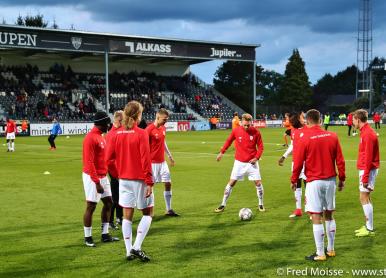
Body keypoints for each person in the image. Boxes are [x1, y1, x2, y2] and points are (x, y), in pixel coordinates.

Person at [291, 109, 345, 261]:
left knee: (316, 216)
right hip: (330, 181)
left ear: (307, 121)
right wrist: (342, 178)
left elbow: (298, 162)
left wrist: (294, 180)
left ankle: (320, 253)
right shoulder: (333, 136)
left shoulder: (304, 138)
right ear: (320, 120)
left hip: (314, 182)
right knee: (329, 214)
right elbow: (340, 160)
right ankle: (331, 249)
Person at [106, 101, 154, 262]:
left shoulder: (115, 134)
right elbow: (145, 159)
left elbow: (108, 159)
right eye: (141, 113)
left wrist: (118, 172)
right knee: (148, 213)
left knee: (127, 216)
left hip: (123, 180)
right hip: (140, 179)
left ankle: (128, 251)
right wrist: (149, 181)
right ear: (137, 115)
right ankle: (137, 247)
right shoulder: (141, 133)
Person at [214, 113, 265, 213]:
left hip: (252, 163)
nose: (246, 127)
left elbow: (261, 147)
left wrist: (256, 158)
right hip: (239, 162)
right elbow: (228, 141)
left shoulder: (256, 132)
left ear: (251, 123)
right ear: (241, 122)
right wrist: (221, 153)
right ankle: (223, 204)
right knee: (231, 182)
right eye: (245, 125)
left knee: (258, 183)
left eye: (248, 125)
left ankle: (261, 204)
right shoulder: (236, 130)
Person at [82, 111, 119, 247]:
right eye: (107, 123)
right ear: (101, 123)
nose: (109, 125)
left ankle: (105, 234)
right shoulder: (90, 138)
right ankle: (88, 237)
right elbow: (89, 162)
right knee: (91, 206)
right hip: (93, 177)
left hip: (103, 175)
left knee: (109, 203)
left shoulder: (101, 136)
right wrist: (97, 182)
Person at [145, 108, 179, 216]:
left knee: (168, 183)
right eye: (164, 119)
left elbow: (163, 142)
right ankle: (150, 212)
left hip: (162, 162)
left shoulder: (163, 128)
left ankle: (168, 209)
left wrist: (170, 156)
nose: (166, 121)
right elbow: (143, 147)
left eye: (167, 119)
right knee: (151, 187)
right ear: (157, 117)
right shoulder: (149, 130)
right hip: (152, 163)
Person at [352, 109, 380, 237]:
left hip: (367, 169)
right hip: (367, 168)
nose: (352, 122)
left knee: (363, 197)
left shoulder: (367, 134)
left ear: (358, 119)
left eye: (353, 120)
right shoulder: (365, 132)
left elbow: (368, 157)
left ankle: (369, 229)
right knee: (366, 197)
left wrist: (365, 176)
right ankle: (369, 226)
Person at [278, 112, 307, 218]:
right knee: (297, 184)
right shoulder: (293, 131)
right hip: (295, 161)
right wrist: (284, 156)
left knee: (307, 184)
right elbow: (292, 146)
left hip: (306, 161)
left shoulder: (308, 129)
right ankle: (298, 209)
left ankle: (309, 209)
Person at [105, 110, 124, 230]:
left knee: (121, 196)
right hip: (115, 171)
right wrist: (116, 174)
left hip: (122, 169)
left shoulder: (121, 131)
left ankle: (119, 218)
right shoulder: (112, 135)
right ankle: (111, 220)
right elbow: (108, 159)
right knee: (115, 196)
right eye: (123, 120)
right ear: (118, 120)